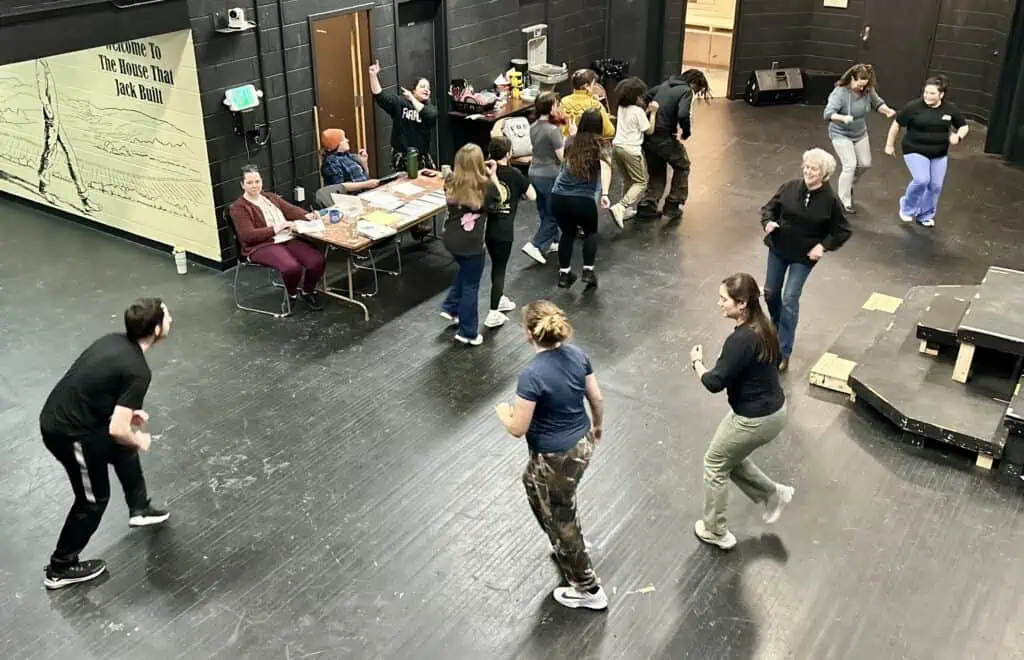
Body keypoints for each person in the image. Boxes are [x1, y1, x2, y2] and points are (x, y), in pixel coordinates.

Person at [39, 298, 173, 589]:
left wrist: (128, 413)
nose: (171, 320)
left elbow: (96, 385)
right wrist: (138, 438)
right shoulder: (138, 370)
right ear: (157, 328)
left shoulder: (113, 342)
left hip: (83, 418)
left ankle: (140, 509)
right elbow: (117, 429)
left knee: (122, 451)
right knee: (93, 499)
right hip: (68, 433)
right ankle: (60, 568)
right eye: (167, 316)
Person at [496, 300, 608, 611]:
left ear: (527, 334)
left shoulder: (532, 376)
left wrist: (503, 414)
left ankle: (588, 589)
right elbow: (596, 398)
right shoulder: (577, 355)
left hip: (556, 457)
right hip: (581, 444)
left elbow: (518, 428)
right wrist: (597, 428)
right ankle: (564, 545)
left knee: (561, 517)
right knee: (532, 484)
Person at [688, 274, 795, 550]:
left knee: (714, 464)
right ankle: (774, 493)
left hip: (755, 418)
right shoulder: (763, 326)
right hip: (772, 410)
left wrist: (697, 363)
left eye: (724, 299)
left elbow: (714, 382)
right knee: (728, 457)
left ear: (742, 303)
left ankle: (715, 530)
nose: (719, 303)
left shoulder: (741, 340)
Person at [760, 148, 852, 372]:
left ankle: (784, 350)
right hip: (779, 247)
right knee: (771, 292)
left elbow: (842, 230)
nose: (808, 172)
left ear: (824, 174)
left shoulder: (830, 201)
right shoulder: (789, 187)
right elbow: (769, 209)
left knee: (790, 298)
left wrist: (822, 246)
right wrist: (768, 223)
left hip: (803, 256)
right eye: (807, 167)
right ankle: (779, 325)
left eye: (814, 169)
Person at [229, 165, 326, 311]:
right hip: (262, 245)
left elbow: (291, 210)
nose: (255, 185)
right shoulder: (238, 208)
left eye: (257, 181)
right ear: (242, 185)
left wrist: (307, 216)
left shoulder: (270, 197)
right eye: (249, 182)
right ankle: (291, 294)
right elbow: (247, 235)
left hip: (287, 238)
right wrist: (277, 228)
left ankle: (307, 291)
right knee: (291, 267)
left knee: (317, 261)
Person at [884, 74, 968, 228]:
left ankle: (925, 215)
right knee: (922, 180)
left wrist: (958, 136)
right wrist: (889, 145)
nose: (928, 96)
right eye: (926, 93)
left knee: (935, 186)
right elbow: (896, 124)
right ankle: (907, 206)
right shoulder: (914, 107)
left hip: (939, 153)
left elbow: (963, 126)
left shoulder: (950, 109)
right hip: (915, 149)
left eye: (932, 93)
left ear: (941, 94)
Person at [441, 144, 500, 345]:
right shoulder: (486, 186)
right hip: (472, 243)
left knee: (465, 272)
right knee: (471, 285)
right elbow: (498, 200)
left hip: (450, 238)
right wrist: (492, 175)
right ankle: (467, 332)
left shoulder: (449, 181)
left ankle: (450, 306)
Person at [550, 108, 612, 290]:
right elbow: (606, 168)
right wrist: (605, 194)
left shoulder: (571, 141)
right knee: (591, 232)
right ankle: (588, 271)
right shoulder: (602, 145)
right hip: (583, 199)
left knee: (567, 233)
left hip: (559, 196)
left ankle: (564, 274)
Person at [637, 69, 711, 222]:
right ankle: (673, 204)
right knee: (682, 165)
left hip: (649, 137)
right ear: (695, 83)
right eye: (698, 89)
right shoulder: (686, 91)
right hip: (664, 136)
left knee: (656, 171)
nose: (696, 92)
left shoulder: (663, 86)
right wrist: (686, 131)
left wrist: (647, 115)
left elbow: (644, 98)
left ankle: (647, 205)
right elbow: (683, 114)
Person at [823, 63, 896, 214]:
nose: (861, 88)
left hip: (859, 132)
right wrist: (842, 118)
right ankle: (843, 201)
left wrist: (887, 111)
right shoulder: (840, 93)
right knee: (850, 165)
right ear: (852, 78)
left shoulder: (867, 90)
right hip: (840, 133)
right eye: (859, 84)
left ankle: (849, 184)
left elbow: (877, 103)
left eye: (864, 85)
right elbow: (828, 114)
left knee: (865, 164)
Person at [36, 59, 99, 213]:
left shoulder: (45, 64)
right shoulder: (38, 63)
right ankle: (43, 189)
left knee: (69, 154)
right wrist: (50, 115)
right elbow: (42, 95)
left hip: (56, 119)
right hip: (51, 120)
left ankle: (85, 199)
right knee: (49, 154)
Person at [484, 137, 535, 328]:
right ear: (508, 153)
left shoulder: (486, 172)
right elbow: (532, 196)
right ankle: (493, 313)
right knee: (499, 270)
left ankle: (500, 298)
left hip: (489, 229)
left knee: (497, 266)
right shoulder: (514, 174)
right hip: (505, 231)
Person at [367, 60, 438, 172]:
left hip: (421, 157)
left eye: (428, 88)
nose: (426, 90)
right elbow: (380, 97)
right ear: (413, 90)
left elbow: (430, 116)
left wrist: (412, 99)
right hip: (402, 156)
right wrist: (373, 76)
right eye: (423, 86)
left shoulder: (429, 108)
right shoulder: (400, 103)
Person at [521, 91, 566, 264]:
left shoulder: (532, 127)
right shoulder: (553, 131)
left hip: (534, 173)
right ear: (552, 107)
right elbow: (562, 157)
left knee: (544, 210)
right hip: (550, 175)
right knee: (554, 213)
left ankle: (554, 241)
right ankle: (536, 245)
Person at [609, 77, 658, 227]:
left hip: (617, 147)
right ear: (636, 96)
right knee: (640, 182)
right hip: (631, 150)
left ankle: (626, 210)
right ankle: (621, 206)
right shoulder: (637, 111)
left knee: (628, 180)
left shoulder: (622, 108)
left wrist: (646, 111)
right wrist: (654, 113)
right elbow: (649, 130)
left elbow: (635, 119)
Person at [558, 69, 615, 139]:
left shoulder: (564, 101)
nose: (595, 86)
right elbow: (609, 131)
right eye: (593, 84)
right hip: (588, 145)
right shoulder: (595, 105)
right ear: (586, 86)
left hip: (565, 144)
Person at [320, 128, 380, 192]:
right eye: (343, 139)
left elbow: (364, 177)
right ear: (337, 144)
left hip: (366, 192)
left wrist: (364, 162)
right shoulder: (331, 162)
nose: (347, 140)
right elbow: (339, 187)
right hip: (352, 197)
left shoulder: (349, 156)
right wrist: (366, 184)